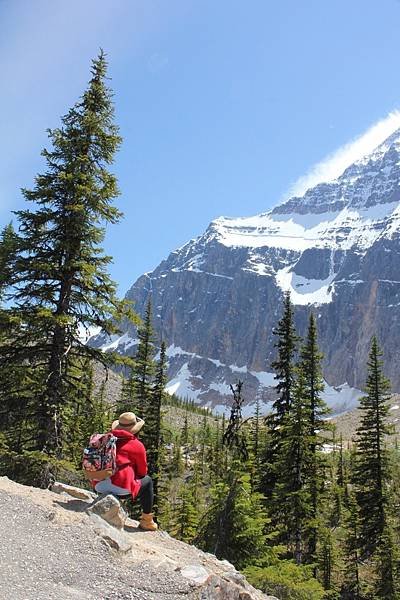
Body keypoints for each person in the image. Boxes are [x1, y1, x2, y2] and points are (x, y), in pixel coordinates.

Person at [94, 412, 157, 531]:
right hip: (121, 488)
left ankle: (101, 504)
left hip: (98, 485)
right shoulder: (136, 445)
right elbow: (142, 473)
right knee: (147, 481)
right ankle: (147, 521)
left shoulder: (105, 439)